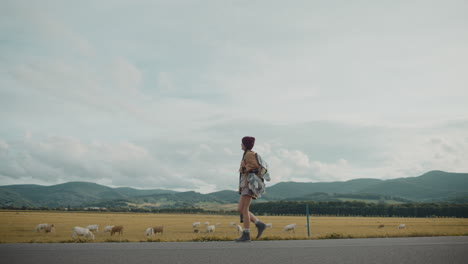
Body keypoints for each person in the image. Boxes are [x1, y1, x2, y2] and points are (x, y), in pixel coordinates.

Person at [235, 136, 267, 242]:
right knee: (240, 209)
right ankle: (259, 224)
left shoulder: (249, 154)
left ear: (245, 144)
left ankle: (246, 234)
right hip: (245, 185)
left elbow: (254, 167)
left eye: (242, 143)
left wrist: (244, 166)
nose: (241, 145)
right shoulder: (247, 154)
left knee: (244, 209)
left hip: (249, 185)